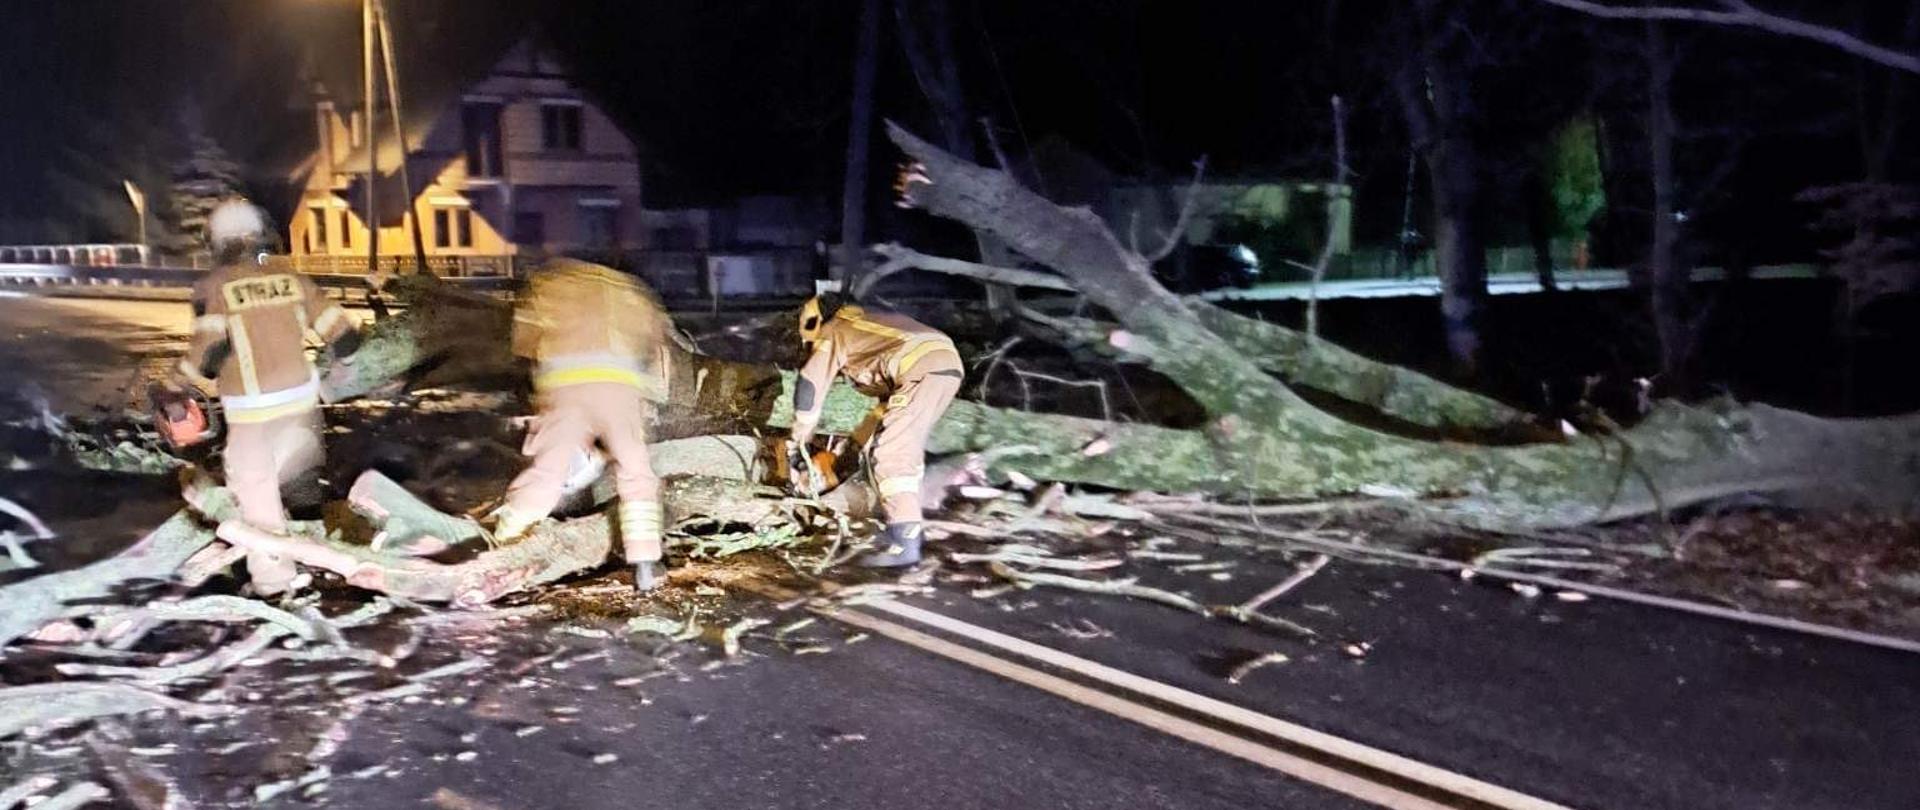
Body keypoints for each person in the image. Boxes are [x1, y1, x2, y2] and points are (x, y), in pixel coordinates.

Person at [175, 199, 362, 595]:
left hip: (253, 414)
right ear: (259, 235)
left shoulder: (215, 285)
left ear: (219, 241)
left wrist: (176, 383)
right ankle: (323, 558)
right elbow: (344, 335)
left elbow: (208, 354)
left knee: (256, 496)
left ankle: (275, 582)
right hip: (303, 408)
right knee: (302, 488)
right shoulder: (289, 276)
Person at [490, 259, 672, 591]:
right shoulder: (633, 291)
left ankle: (502, 543)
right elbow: (655, 349)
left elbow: (524, 345)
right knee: (635, 469)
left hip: (564, 385)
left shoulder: (549, 283)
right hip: (619, 386)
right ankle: (646, 563)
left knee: (547, 470)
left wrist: (537, 398)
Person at [788, 292, 963, 567]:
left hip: (920, 369)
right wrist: (849, 454)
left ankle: (904, 543)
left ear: (815, 322)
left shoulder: (836, 330)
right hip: (944, 366)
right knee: (901, 447)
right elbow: (878, 417)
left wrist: (799, 442)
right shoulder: (869, 328)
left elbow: (809, 385)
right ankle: (902, 525)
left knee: (892, 455)